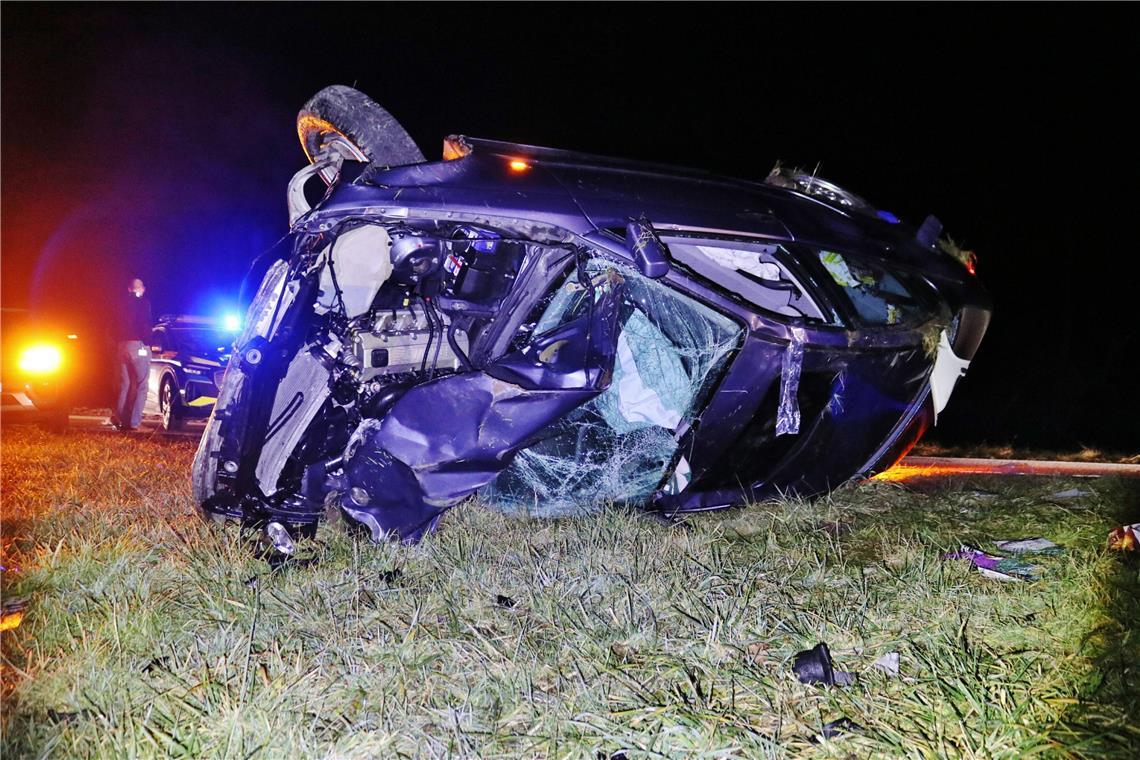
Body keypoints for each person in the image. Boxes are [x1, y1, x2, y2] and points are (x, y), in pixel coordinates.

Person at [110, 277, 153, 431]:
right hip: (138, 344)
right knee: (142, 384)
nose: (142, 289)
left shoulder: (119, 303)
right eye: (140, 286)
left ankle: (118, 418)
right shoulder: (143, 303)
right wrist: (149, 342)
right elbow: (144, 323)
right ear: (140, 289)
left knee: (125, 384)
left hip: (122, 346)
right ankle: (134, 423)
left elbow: (112, 324)